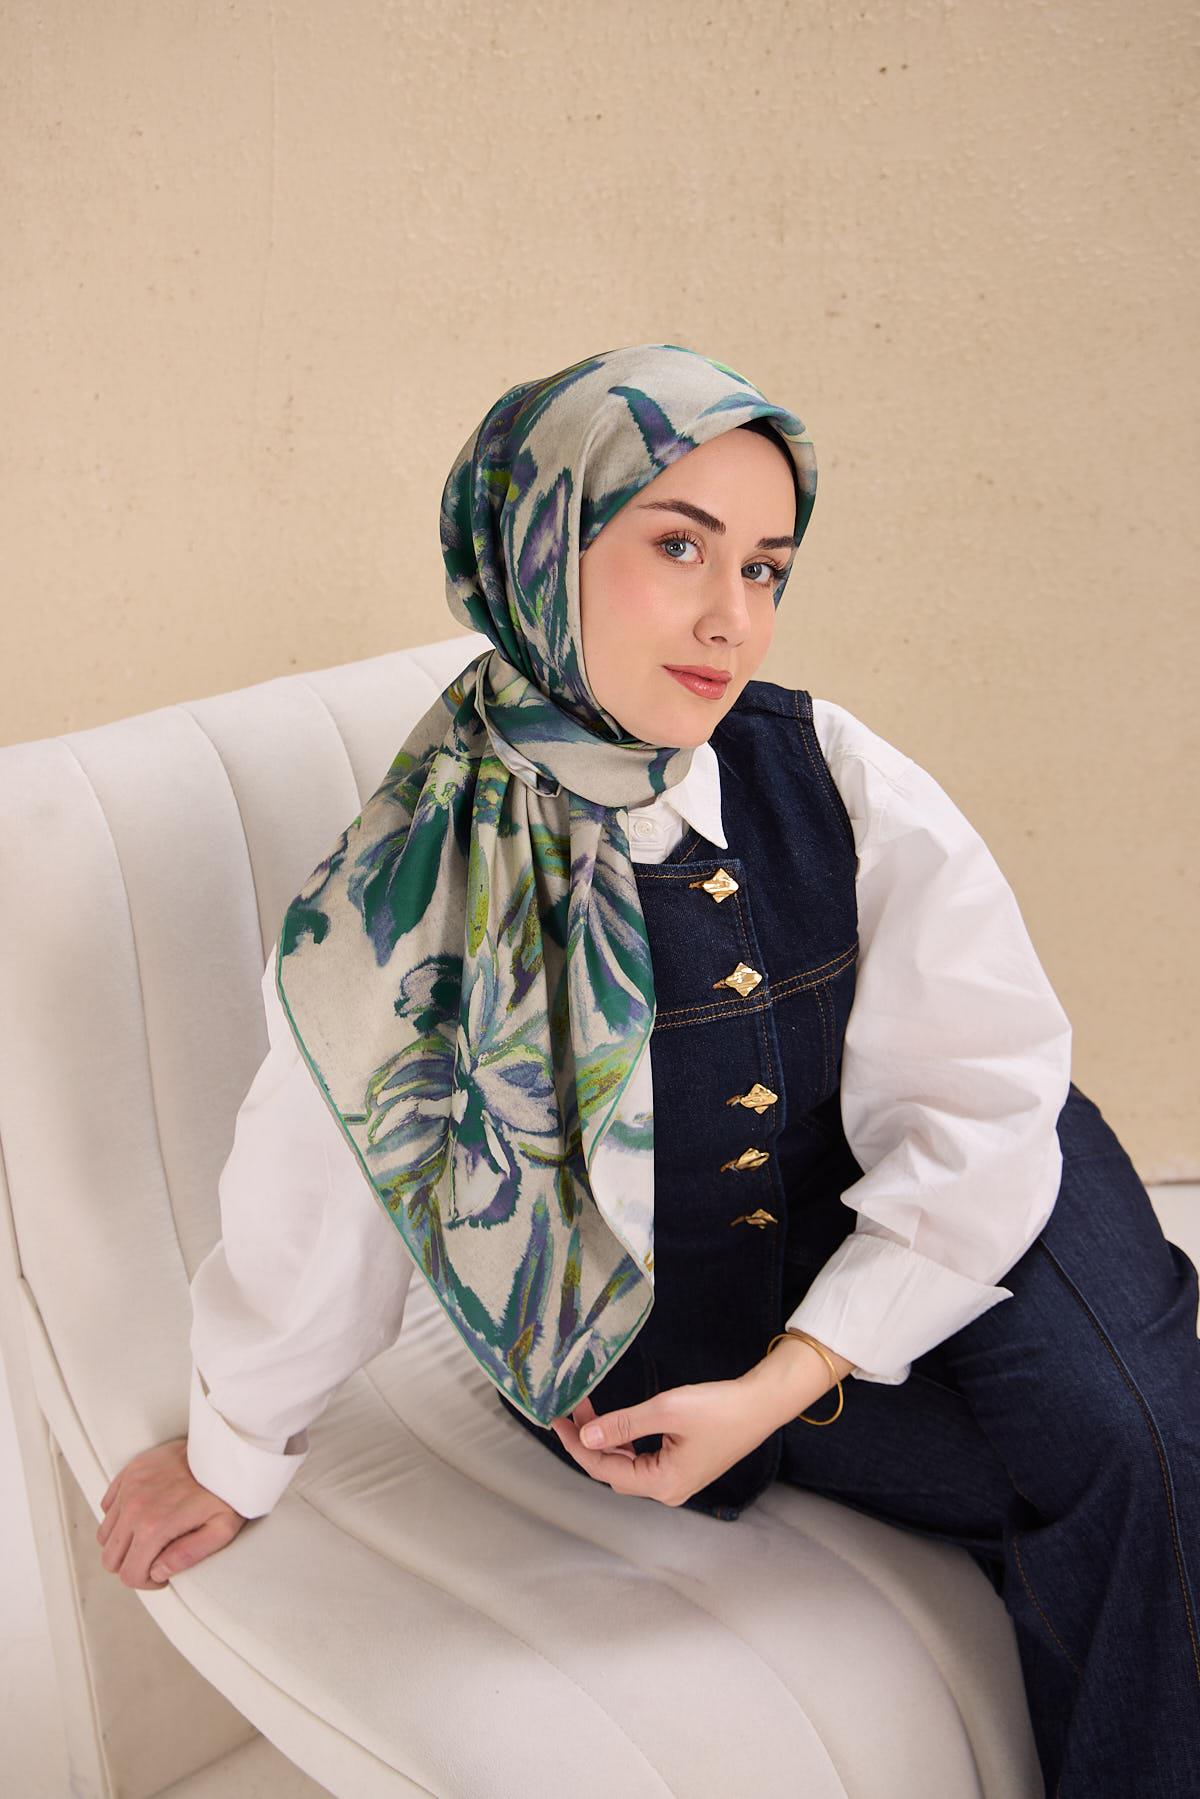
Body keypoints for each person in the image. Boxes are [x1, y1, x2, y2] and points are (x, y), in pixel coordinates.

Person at [96, 343, 1200, 1796]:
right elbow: (330, 1183)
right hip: (681, 1318)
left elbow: (979, 1090)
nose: (731, 618)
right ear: (539, 550)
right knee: (1122, 1500)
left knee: (1146, 1445)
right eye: (680, 546)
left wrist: (794, 1380)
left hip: (959, 1172)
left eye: (766, 568)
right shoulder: (415, 888)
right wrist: (232, 1453)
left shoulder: (832, 769)